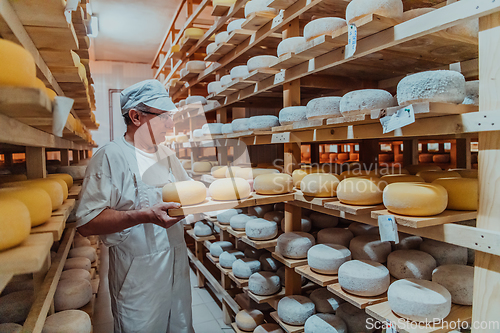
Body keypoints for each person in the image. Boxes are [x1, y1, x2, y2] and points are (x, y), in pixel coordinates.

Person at [76, 79, 194, 333]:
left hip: (175, 266)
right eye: (163, 117)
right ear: (136, 116)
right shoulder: (111, 156)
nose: (171, 125)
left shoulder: (166, 154)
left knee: (181, 327)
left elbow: (190, 191)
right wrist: (144, 216)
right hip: (138, 277)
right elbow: (86, 223)